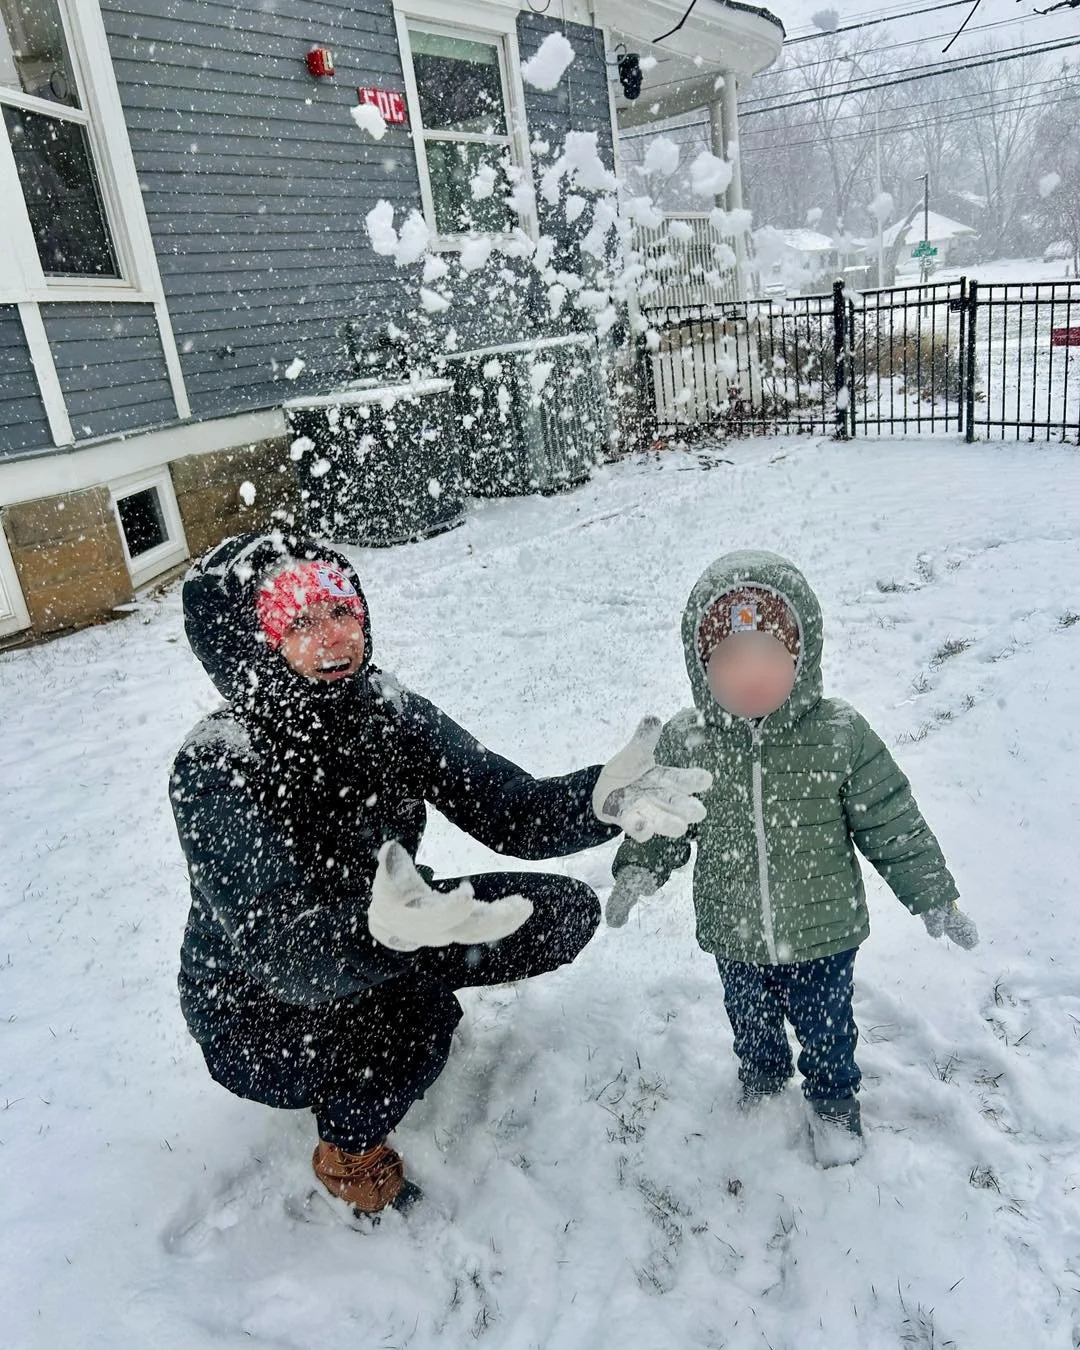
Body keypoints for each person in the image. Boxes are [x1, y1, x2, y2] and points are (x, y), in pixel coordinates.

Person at [170, 531, 710, 1215]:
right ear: (251, 643)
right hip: (260, 1013)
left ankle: (395, 993)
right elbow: (280, 949)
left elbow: (511, 810)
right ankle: (351, 1152)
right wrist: (380, 939)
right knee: (418, 1023)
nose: (333, 637)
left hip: (401, 925)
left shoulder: (390, 713)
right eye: (299, 621)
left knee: (561, 912)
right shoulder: (220, 764)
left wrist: (602, 797)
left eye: (342, 612)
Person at [606, 550, 977, 1167]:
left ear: (801, 658)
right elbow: (664, 820)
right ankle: (762, 1082)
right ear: (701, 668)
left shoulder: (837, 733)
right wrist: (639, 868)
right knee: (750, 1024)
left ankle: (834, 1105)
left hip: (822, 931)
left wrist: (933, 894)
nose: (750, 675)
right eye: (729, 657)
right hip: (734, 928)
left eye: (769, 655)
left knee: (828, 1032)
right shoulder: (688, 740)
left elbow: (890, 818)